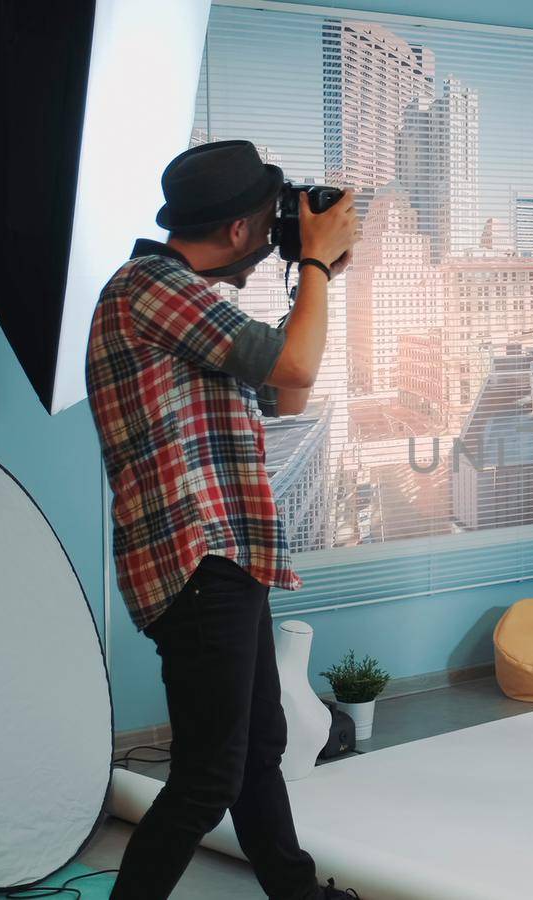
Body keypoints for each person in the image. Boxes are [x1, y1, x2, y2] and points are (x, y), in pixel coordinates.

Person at [84, 139, 360, 900]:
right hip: (196, 560)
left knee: (257, 750)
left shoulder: (185, 302)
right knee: (208, 777)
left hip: (225, 559)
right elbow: (299, 369)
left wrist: (318, 274)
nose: (278, 232)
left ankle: (296, 894)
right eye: (271, 221)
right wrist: (312, 265)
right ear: (239, 230)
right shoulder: (153, 287)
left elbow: (289, 393)